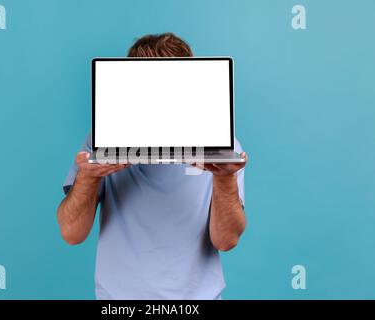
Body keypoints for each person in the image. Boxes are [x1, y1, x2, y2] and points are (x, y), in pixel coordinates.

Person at [57, 33, 248, 300]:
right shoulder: (103, 140)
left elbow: (226, 241)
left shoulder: (222, 146)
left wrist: (224, 178)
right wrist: (88, 178)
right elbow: (71, 233)